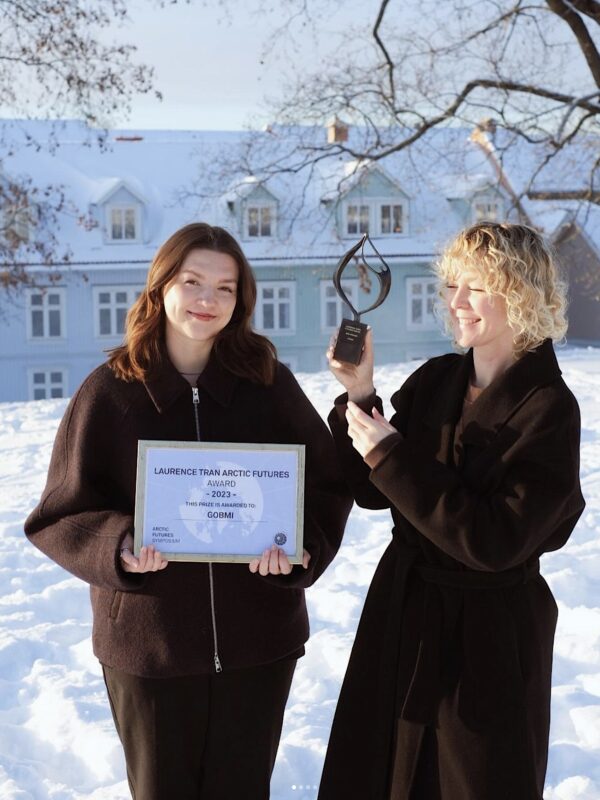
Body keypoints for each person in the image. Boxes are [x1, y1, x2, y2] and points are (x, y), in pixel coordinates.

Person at [24, 222, 352, 800]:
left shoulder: (269, 388)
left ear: (241, 300)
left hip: (260, 643)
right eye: (193, 281)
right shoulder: (110, 393)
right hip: (149, 648)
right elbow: (58, 515)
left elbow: (326, 484)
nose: (208, 300)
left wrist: (301, 546)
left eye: (226, 288)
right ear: (160, 287)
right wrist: (117, 546)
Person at [320, 222, 585, 800]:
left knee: (473, 779)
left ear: (518, 291)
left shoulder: (549, 411)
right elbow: (369, 489)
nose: (455, 302)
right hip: (404, 613)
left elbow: (494, 541)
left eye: (475, 287)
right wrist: (361, 395)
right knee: (380, 773)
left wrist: (392, 454)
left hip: (490, 635)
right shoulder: (438, 379)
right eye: (451, 287)